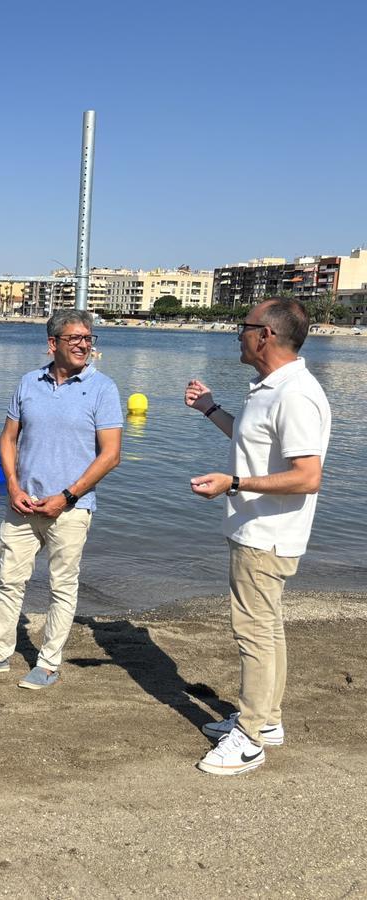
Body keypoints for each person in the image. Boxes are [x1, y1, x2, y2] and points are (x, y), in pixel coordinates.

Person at [185, 298, 331, 776]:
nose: (237, 334)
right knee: (266, 629)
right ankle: (266, 723)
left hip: (267, 535)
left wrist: (235, 484)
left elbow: (307, 476)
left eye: (243, 327)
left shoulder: (296, 393)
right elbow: (254, 445)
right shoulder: (269, 388)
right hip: (255, 528)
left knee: (254, 633)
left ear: (265, 335)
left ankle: (249, 738)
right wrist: (211, 409)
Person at [0, 310, 123, 689]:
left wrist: (67, 496)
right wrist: (13, 487)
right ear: (53, 344)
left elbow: (111, 454)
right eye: (75, 338)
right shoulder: (28, 382)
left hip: (71, 508)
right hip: (22, 504)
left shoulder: (103, 388)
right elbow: (7, 439)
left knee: (62, 586)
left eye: (89, 338)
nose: (84, 344)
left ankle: (48, 663)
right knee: (8, 581)